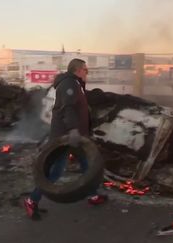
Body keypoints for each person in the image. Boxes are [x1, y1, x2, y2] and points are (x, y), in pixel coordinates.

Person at [24, 58, 108, 219]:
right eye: (86, 70)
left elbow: (78, 104)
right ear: (77, 70)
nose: (87, 72)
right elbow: (68, 108)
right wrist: (73, 130)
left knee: (86, 166)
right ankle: (31, 200)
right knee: (55, 172)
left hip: (75, 136)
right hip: (65, 137)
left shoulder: (75, 84)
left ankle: (92, 195)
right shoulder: (69, 84)